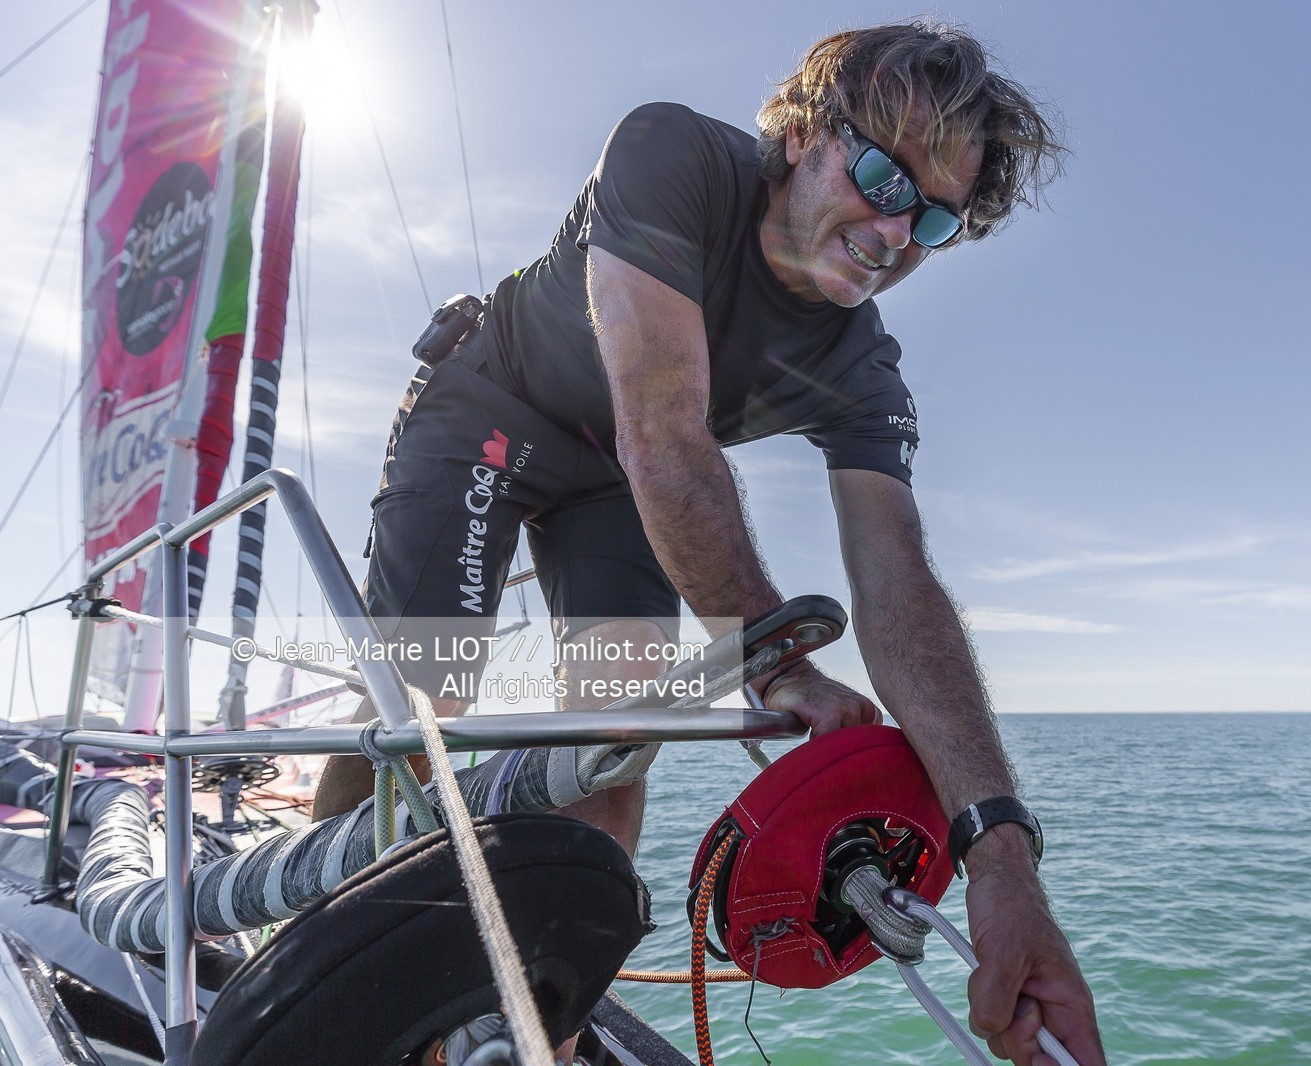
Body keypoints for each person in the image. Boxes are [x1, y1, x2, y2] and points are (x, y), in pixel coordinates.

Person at [317, 20, 1105, 1066]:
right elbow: (663, 429)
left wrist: (1001, 856)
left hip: (612, 483)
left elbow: (897, 578)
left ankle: (542, 1017)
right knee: (418, 692)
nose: (893, 231)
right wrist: (775, 659)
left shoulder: (863, 368)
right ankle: (307, 928)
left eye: (934, 220)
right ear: (796, 131)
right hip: (491, 409)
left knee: (616, 740)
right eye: (881, 174)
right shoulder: (670, 157)